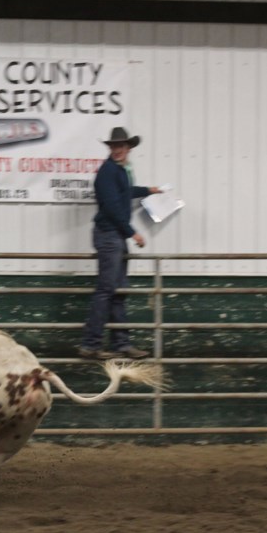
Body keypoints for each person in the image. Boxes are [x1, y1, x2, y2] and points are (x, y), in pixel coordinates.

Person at [78, 127, 161, 360]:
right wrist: (132, 233)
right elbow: (113, 207)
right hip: (110, 235)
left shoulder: (118, 171)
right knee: (107, 290)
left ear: (128, 148)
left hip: (114, 235)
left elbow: (124, 194)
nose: (117, 150)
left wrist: (148, 190)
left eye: (121, 146)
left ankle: (120, 343)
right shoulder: (108, 172)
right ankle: (91, 343)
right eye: (114, 146)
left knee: (116, 291)